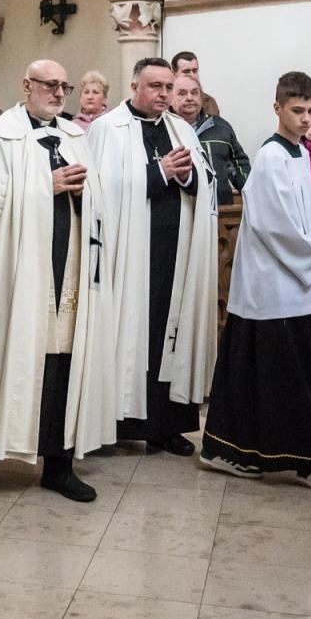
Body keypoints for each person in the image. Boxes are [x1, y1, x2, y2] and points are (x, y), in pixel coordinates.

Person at [0, 59, 118, 502]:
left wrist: (84, 191)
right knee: (4, 349)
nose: (59, 93)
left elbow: (99, 196)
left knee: (60, 357)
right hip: (13, 271)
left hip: (67, 260)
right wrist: (47, 184)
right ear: (26, 86)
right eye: (50, 85)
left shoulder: (77, 136)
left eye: (64, 86)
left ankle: (57, 464)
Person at [200, 72, 311, 493]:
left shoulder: (298, 154)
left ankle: (229, 450)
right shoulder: (271, 157)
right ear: (278, 108)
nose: (307, 119)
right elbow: (275, 226)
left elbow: (304, 217)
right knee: (292, 379)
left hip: (288, 283)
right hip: (276, 287)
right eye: (297, 111)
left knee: (258, 375)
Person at [90, 57, 217, 455]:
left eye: (168, 87)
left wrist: (188, 177)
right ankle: (115, 425)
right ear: (134, 87)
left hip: (175, 252)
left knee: (170, 335)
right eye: (156, 87)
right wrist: (157, 173)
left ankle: (166, 427)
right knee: (129, 334)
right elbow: (99, 191)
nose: (163, 95)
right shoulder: (107, 129)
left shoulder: (182, 128)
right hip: (127, 256)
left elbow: (209, 180)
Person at [181, 68, 249, 205]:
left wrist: (251, 193)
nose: (189, 98)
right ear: (171, 98)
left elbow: (239, 165)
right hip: (181, 212)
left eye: (194, 93)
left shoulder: (221, 127)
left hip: (220, 210)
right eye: (182, 93)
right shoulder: (164, 128)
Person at [171, 50, 221, 118]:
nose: (192, 75)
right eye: (186, 71)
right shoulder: (165, 100)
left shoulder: (209, 102)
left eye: (195, 71)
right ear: (173, 73)